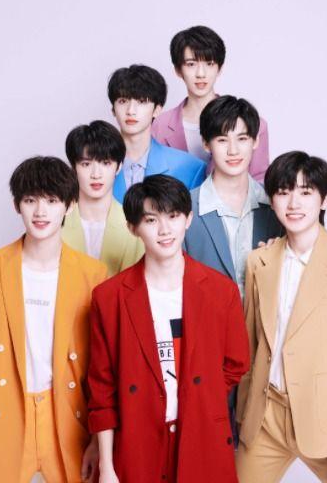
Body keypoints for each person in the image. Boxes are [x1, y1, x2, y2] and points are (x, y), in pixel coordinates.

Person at [0, 156, 107, 483]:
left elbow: (100, 369)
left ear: (69, 206)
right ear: (16, 205)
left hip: (67, 415)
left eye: (51, 200)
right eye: (30, 200)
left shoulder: (92, 274)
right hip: (5, 411)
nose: (40, 211)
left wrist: (97, 441)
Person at [88, 175, 250, 483]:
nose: (164, 230)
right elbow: (102, 388)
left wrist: (200, 396)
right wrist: (107, 466)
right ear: (133, 227)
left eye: (173, 216)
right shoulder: (109, 298)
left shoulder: (221, 292)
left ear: (188, 219)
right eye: (151, 220)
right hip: (138, 440)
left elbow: (236, 363)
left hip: (202, 435)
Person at [236, 151, 327, 483]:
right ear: (272, 200)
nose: (293, 203)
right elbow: (251, 345)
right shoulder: (259, 261)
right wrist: (245, 414)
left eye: (305, 192)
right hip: (266, 418)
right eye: (283, 192)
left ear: (325, 199)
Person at [184, 95, 283, 443]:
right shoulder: (186, 210)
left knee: (258, 452)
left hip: (265, 353)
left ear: (255, 141)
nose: (233, 150)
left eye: (242, 138)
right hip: (204, 356)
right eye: (222, 139)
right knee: (208, 451)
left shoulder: (278, 209)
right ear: (206, 144)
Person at [151, 25, 269, 181]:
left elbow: (260, 181)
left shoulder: (251, 123)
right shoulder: (160, 125)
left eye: (209, 63)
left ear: (220, 68)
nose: (201, 74)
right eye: (191, 64)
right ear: (178, 70)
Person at [108, 64, 206, 202]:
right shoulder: (94, 167)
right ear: (113, 109)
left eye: (142, 101)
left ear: (157, 110)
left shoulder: (190, 167)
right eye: (123, 101)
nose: (131, 111)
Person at [62, 120, 144, 276]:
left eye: (105, 163)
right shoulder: (56, 221)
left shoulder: (135, 224)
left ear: (119, 167)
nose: (96, 174)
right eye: (86, 164)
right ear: (73, 167)